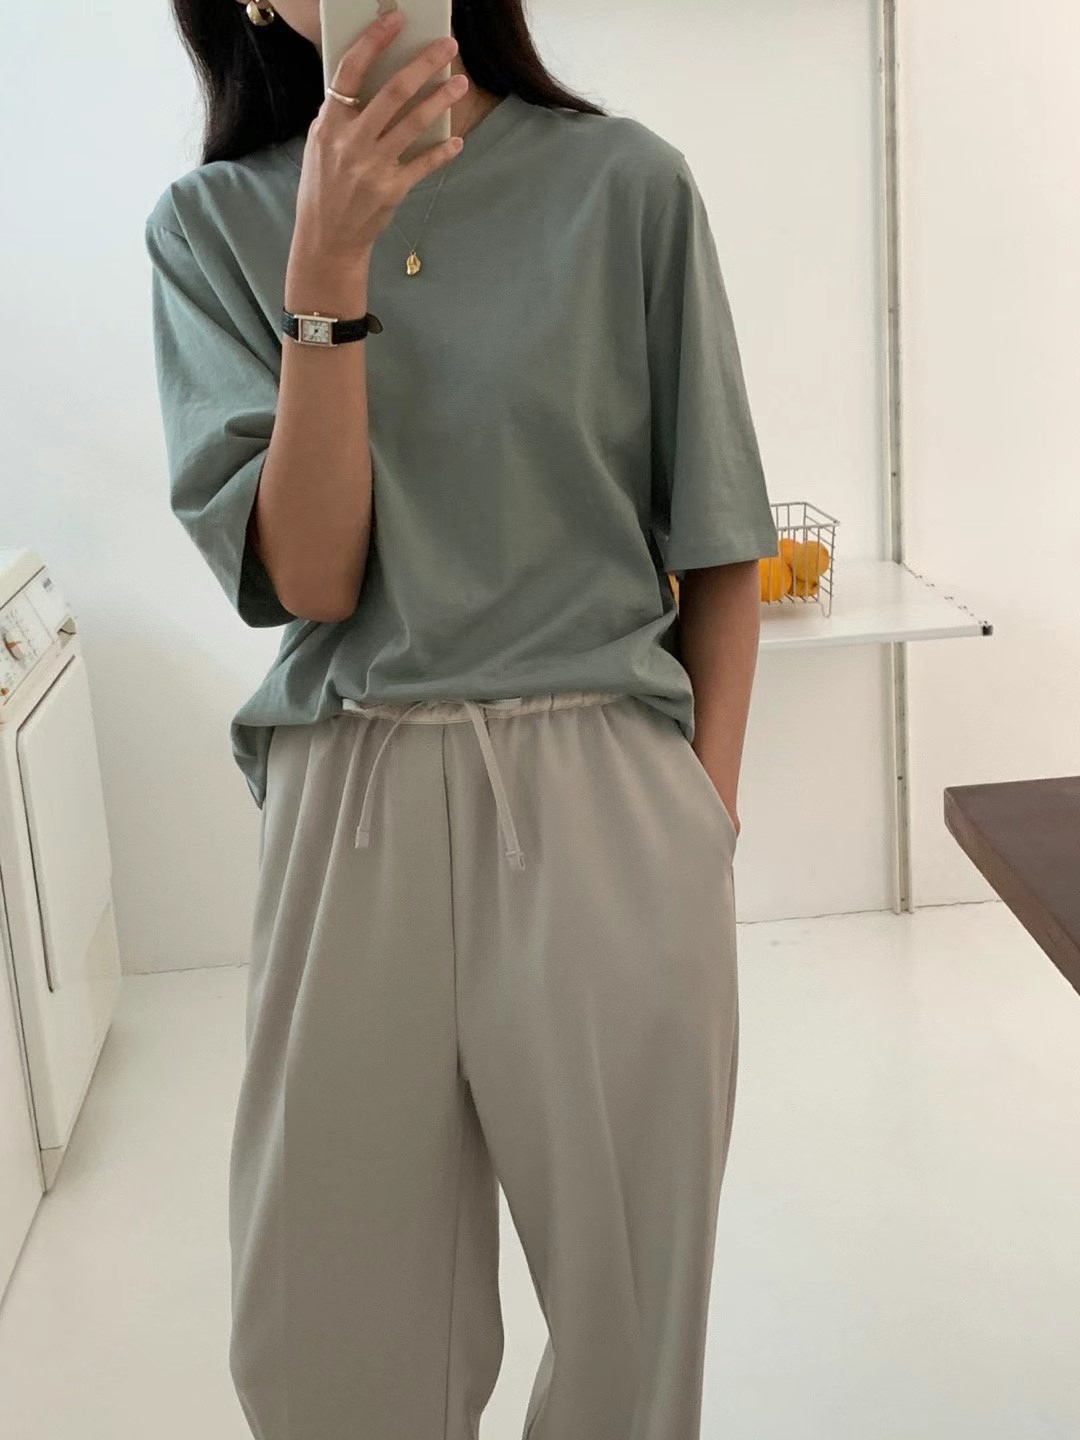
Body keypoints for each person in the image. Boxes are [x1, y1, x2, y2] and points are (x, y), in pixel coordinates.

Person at [144, 2, 780, 1436]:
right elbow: (314, 576)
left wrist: (703, 821)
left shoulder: (626, 183)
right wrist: (327, 267)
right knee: (320, 1348)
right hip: (351, 790)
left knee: (630, 1326)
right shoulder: (210, 227)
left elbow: (720, 541)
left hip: (605, 790)